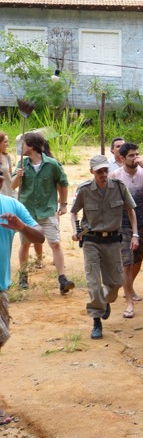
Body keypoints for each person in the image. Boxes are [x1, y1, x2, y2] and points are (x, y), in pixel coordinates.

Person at [71, 155, 139, 340]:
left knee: (116, 283)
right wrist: (76, 231)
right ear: (91, 171)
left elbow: (131, 210)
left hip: (112, 240)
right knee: (94, 284)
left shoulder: (118, 187)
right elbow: (74, 213)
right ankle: (96, 321)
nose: (103, 174)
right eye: (99, 171)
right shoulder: (84, 190)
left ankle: (105, 303)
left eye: (105, 170)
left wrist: (135, 234)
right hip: (91, 241)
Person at [11, 132, 73, 294]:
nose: (21, 147)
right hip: (27, 212)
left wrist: (64, 204)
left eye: (23, 144)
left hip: (47, 211)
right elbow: (12, 186)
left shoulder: (52, 164)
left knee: (55, 243)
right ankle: (23, 276)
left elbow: (63, 183)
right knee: (25, 244)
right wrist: (18, 176)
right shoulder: (22, 164)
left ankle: (62, 278)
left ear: (31, 146)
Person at [110, 142, 143, 318]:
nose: (135, 158)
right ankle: (129, 302)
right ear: (122, 158)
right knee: (127, 263)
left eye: (136, 154)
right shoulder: (116, 176)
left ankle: (129, 287)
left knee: (138, 259)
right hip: (124, 224)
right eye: (131, 155)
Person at [0, 169, 44, 350]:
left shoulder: (12, 205)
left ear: (1, 182)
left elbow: (40, 237)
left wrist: (22, 226)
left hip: (1, 287)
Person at [0, 132, 15, 198]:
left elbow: (10, 176)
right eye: (5, 142)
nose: (8, 144)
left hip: (8, 193)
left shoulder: (7, 157)